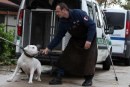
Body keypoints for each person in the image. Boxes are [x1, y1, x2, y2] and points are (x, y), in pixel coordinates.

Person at [41, 2, 97, 86]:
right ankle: (58, 77)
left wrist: (88, 40)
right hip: (76, 39)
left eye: (57, 11)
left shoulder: (78, 13)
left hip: (89, 38)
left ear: (64, 10)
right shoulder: (62, 22)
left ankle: (88, 80)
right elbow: (58, 37)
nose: (56, 13)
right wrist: (48, 48)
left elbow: (92, 25)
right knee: (65, 57)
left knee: (88, 59)